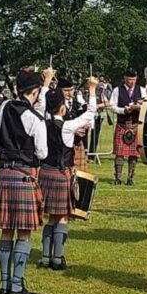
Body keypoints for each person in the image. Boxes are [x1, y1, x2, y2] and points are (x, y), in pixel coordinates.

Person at [0, 67, 53, 294]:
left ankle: (4, 284)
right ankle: (17, 286)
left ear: (18, 89)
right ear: (35, 92)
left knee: (7, 230)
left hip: (5, 173)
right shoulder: (35, 119)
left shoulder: (5, 107)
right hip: (24, 175)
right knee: (24, 234)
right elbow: (43, 153)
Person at [38, 77, 98, 270]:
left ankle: (46, 258)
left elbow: (40, 101)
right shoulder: (66, 127)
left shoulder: (41, 122)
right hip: (60, 173)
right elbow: (90, 114)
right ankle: (58, 258)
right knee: (62, 216)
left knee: (50, 218)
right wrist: (92, 89)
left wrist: (46, 83)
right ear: (62, 108)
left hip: (45, 173)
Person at [109, 68, 146, 185]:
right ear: (125, 79)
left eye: (134, 79)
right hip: (122, 124)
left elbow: (145, 105)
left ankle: (130, 178)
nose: (132, 82)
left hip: (135, 125)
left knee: (133, 154)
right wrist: (123, 110)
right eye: (130, 79)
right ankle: (118, 178)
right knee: (119, 153)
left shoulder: (142, 90)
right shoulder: (117, 90)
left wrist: (138, 107)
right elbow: (112, 106)